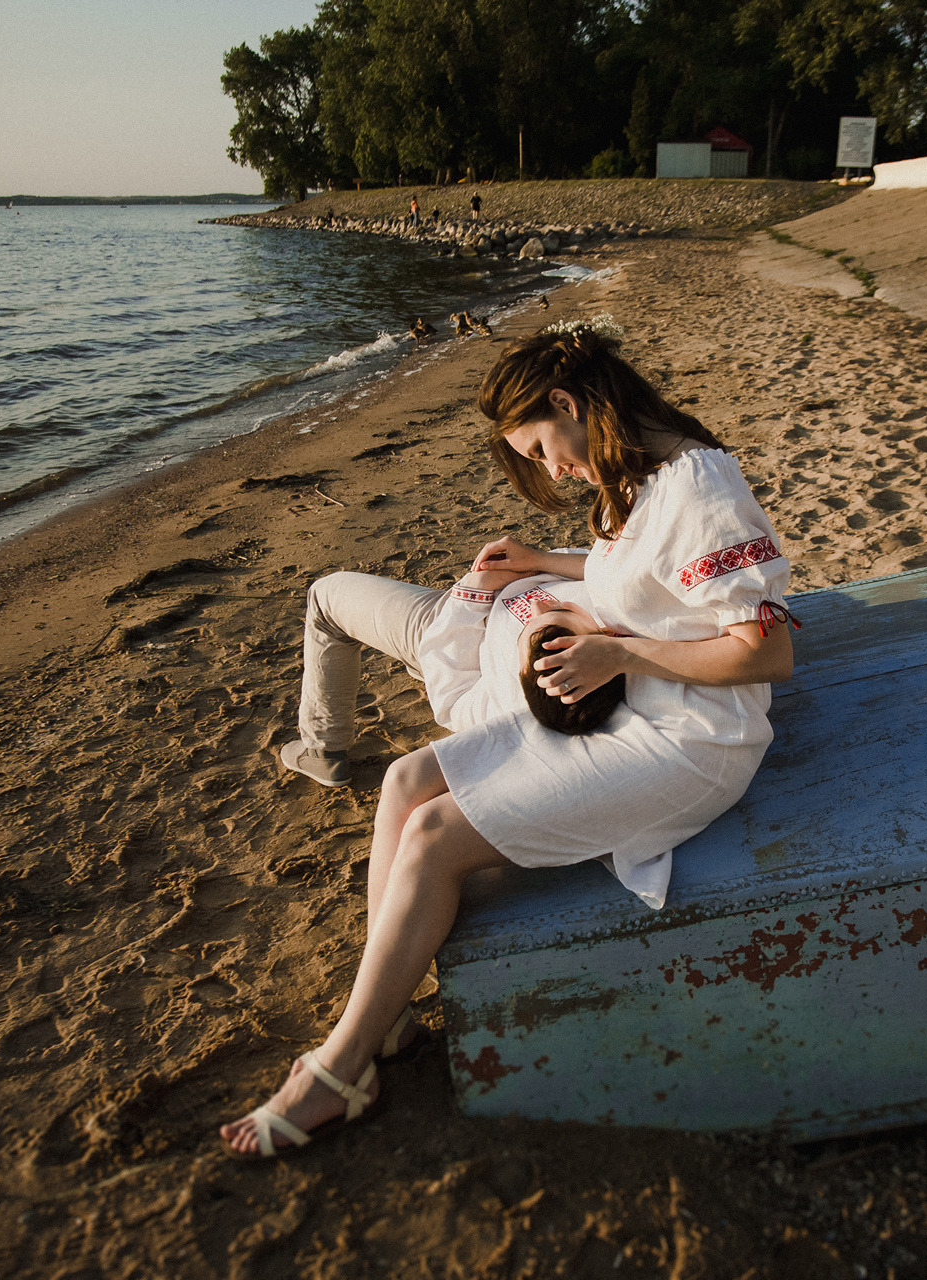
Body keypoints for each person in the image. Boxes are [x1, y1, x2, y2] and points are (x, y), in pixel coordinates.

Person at [222, 316, 795, 1157]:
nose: (545, 467)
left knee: (434, 834)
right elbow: (632, 576)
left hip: (689, 743)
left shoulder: (700, 487)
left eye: (536, 446)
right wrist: (545, 561)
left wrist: (615, 652)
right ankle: (382, 1030)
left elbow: (768, 651)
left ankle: (341, 1068)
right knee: (407, 780)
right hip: (636, 706)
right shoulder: (631, 474)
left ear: (567, 402)